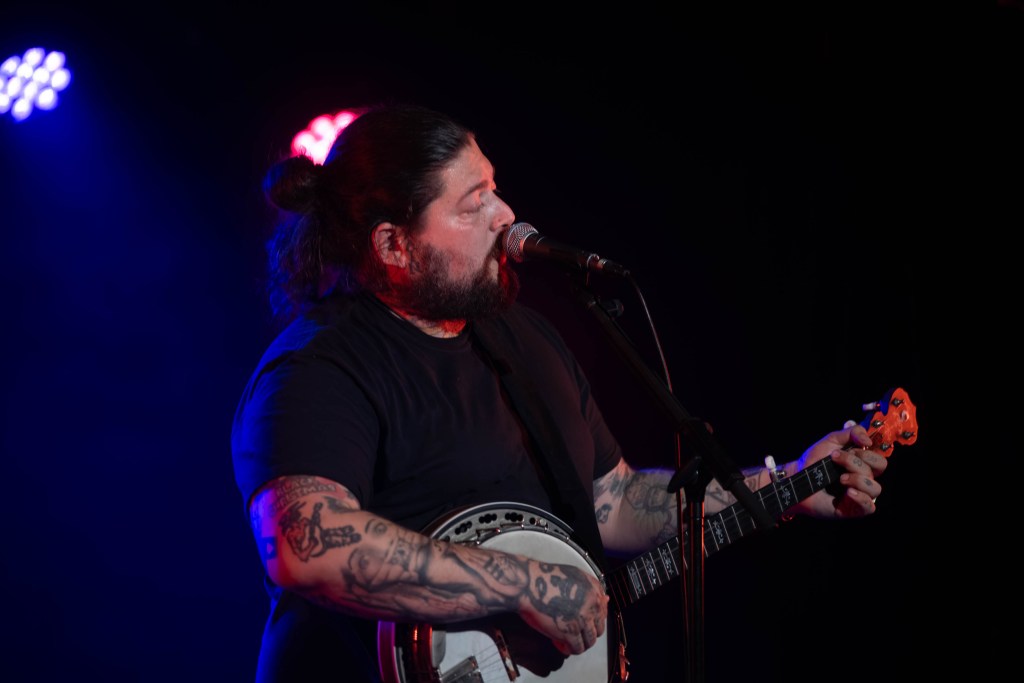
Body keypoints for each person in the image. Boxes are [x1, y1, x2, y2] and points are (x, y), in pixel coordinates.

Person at [230, 102, 888, 683]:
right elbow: (304, 545)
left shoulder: (525, 338)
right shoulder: (319, 369)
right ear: (394, 245)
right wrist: (524, 583)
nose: (505, 215)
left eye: (493, 187)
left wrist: (788, 484)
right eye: (473, 204)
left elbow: (614, 501)